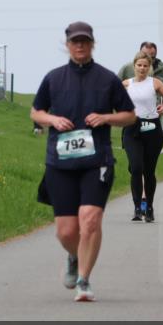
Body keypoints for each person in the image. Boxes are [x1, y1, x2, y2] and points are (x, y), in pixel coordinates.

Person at [31, 21, 136, 302]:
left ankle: (84, 280)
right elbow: (36, 112)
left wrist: (106, 118)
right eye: (75, 41)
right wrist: (52, 119)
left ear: (93, 44)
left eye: (85, 41)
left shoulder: (107, 79)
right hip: (60, 162)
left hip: (96, 160)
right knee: (66, 230)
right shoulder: (53, 78)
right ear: (67, 45)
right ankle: (74, 256)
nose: (80, 46)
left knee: (89, 221)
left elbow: (129, 115)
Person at [122, 51, 163, 222]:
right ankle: (137, 207)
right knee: (136, 168)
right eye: (139, 65)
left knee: (148, 171)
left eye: (145, 66)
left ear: (150, 68)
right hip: (132, 129)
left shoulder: (155, 83)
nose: (142, 68)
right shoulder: (126, 84)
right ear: (134, 66)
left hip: (152, 129)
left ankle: (150, 207)